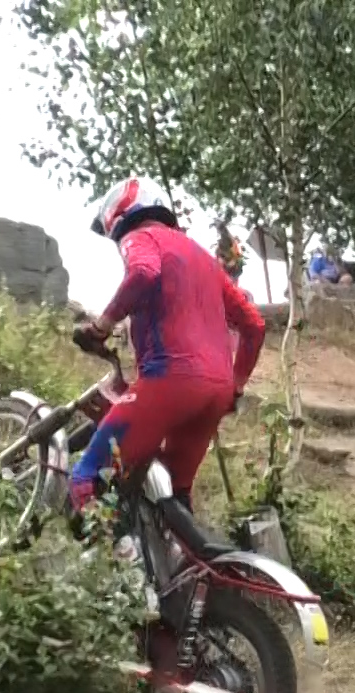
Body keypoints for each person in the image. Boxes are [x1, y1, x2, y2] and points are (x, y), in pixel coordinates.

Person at [69, 178, 266, 527]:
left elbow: (144, 273)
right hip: (217, 392)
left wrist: (101, 327)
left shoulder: (140, 237)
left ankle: (122, 555)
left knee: (86, 478)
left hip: (170, 380)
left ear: (117, 216)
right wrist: (236, 386)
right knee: (175, 496)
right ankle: (184, 558)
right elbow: (254, 324)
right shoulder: (204, 258)